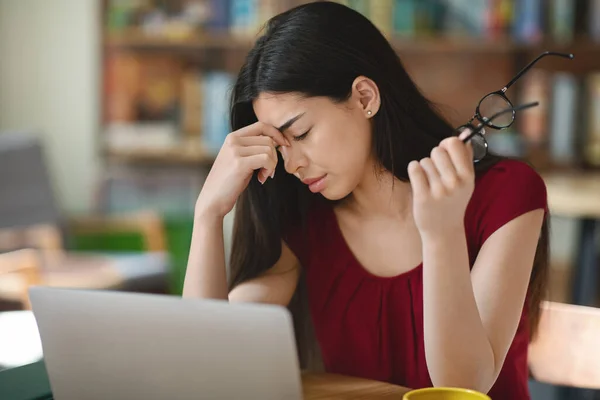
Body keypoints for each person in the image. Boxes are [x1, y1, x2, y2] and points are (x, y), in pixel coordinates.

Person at [183, 2, 548, 399]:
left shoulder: (508, 193)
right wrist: (208, 215)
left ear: (364, 97)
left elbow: (462, 386)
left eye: (301, 133)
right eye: (279, 146)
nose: (291, 164)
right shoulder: (306, 226)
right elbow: (208, 362)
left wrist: (442, 234)